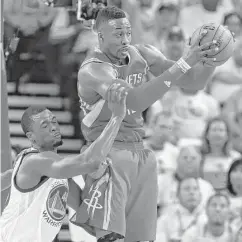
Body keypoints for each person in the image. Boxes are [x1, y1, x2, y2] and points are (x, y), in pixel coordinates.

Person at [72, 5, 222, 242]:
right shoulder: (94, 70)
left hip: (140, 153)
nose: (125, 39)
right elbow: (135, 100)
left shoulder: (142, 53)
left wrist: (211, 58)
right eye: (118, 34)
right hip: (107, 154)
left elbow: (193, 83)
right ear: (100, 36)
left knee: (142, 239)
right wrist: (184, 61)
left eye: (128, 32)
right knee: (112, 237)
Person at [0, 85, 128, 242]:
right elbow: (89, 161)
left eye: (53, 121)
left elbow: (83, 213)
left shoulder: (58, 174)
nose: (53, 127)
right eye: (45, 125)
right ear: (31, 137)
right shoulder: (34, 162)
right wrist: (117, 117)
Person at [156, 177, 207, 242]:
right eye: (187, 189)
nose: (192, 192)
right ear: (177, 195)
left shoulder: (207, 217)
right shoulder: (166, 218)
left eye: (195, 189)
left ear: (200, 194)